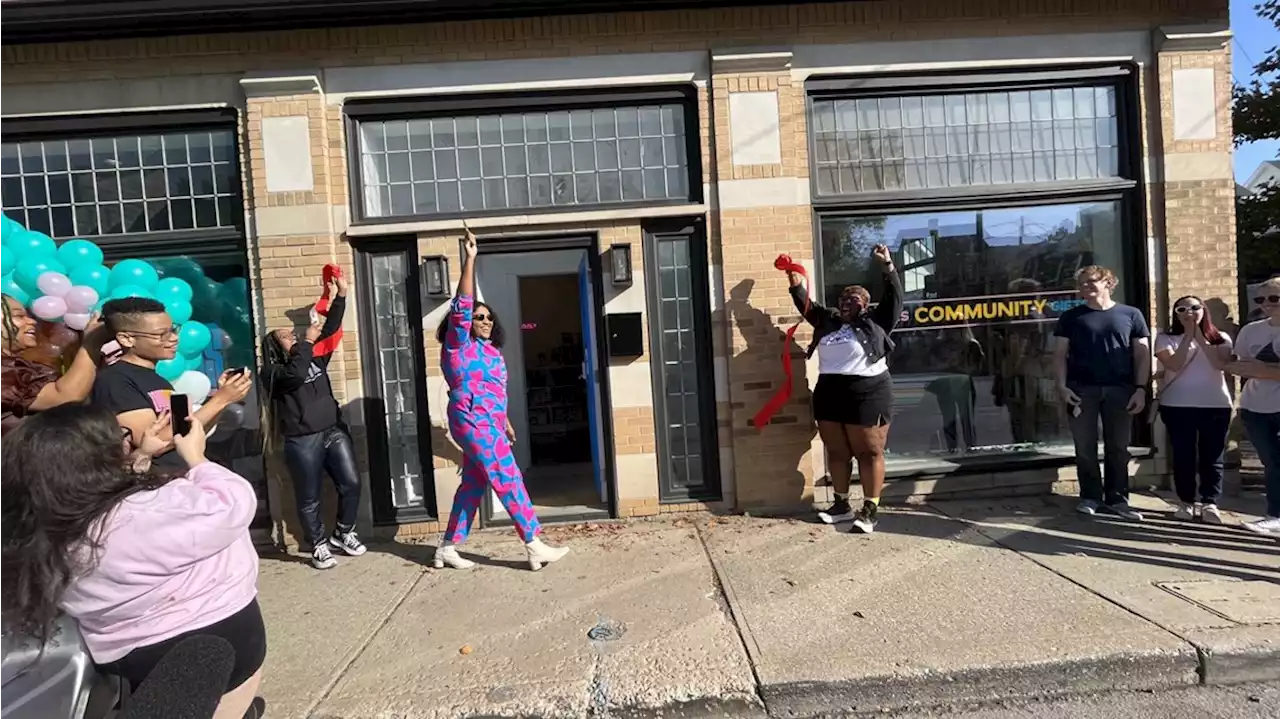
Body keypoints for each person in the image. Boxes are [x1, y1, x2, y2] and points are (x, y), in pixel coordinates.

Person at [0, 404, 266, 719]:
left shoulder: (43, 537)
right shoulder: (156, 508)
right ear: (98, 459)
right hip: (222, 635)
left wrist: (143, 455)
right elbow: (234, 503)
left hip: (127, 656)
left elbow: (109, 508)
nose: (126, 443)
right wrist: (197, 458)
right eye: (120, 439)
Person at [432, 227, 570, 571]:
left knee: (475, 483)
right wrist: (470, 260)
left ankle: (447, 547)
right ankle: (533, 542)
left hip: (487, 422)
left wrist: (504, 421)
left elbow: (497, 392)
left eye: (489, 316)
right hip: (469, 419)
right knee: (508, 475)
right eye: (479, 317)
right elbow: (462, 306)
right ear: (462, 323)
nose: (485, 320)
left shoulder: (492, 353)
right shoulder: (457, 345)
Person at [793, 243, 902, 534]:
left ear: (865, 304)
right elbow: (807, 307)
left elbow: (895, 298)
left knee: (868, 450)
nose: (847, 302)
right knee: (837, 450)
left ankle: (870, 508)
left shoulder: (876, 322)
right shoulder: (828, 320)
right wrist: (795, 282)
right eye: (843, 297)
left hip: (868, 390)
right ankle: (841, 505)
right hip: (830, 389)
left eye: (854, 298)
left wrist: (887, 266)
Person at [262, 271, 366, 569]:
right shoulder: (272, 374)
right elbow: (295, 374)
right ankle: (317, 545)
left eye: (293, 334)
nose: (292, 336)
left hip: (332, 431)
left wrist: (341, 294)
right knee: (309, 497)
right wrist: (306, 342)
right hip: (302, 439)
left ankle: (343, 533)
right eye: (285, 336)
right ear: (273, 348)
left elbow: (331, 329)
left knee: (351, 483)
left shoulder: (314, 359)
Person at [91, 297, 251, 472]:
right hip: (154, 488)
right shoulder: (115, 380)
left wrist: (223, 399)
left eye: (173, 330)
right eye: (162, 334)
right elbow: (155, 442)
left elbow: (189, 434)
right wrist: (220, 400)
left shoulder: (156, 379)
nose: (174, 338)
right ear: (127, 339)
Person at [1053, 265, 1151, 520]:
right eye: (1082, 283)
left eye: (1091, 281)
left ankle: (1118, 499)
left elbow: (1142, 355)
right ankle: (1090, 497)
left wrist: (1141, 389)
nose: (1085, 287)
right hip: (1081, 390)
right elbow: (1060, 355)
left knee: (1118, 447)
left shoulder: (1131, 314)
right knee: (1084, 447)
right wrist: (1062, 387)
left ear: (1108, 282)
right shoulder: (1072, 317)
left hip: (1121, 389)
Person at [1153, 295, 1233, 523]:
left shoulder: (1221, 338)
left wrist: (1200, 335)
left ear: (1204, 310)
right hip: (1178, 405)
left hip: (1215, 404)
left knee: (1213, 456)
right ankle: (1186, 501)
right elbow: (1175, 365)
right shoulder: (1166, 338)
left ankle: (1210, 502)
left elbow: (1220, 364)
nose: (1189, 312)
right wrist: (1188, 336)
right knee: (1183, 455)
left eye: (1195, 307)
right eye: (1182, 309)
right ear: (1176, 313)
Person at [0, 293, 109, 435]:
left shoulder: (20, 365)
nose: (31, 321)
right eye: (19, 316)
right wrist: (92, 343)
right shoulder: (4, 373)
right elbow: (65, 397)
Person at [1226, 277, 1280, 537]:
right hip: (1255, 407)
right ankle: (1275, 515)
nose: (1267, 304)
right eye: (1261, 299)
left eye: (1274, 298)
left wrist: (1266, 371)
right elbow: (1240, 363)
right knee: (1271, 463)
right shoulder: (1252, 330)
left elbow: (1259, 369)